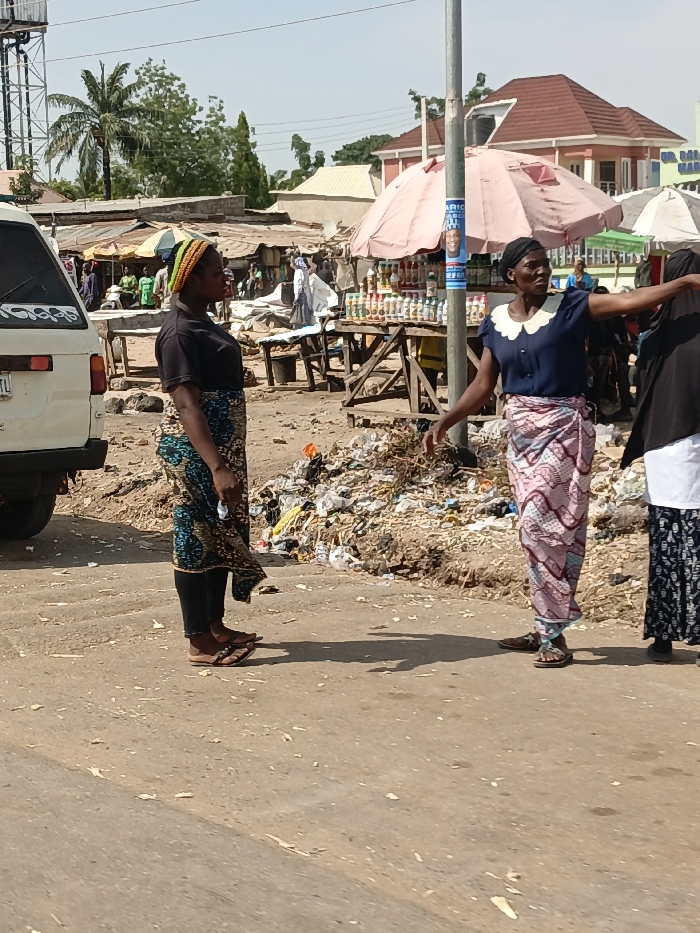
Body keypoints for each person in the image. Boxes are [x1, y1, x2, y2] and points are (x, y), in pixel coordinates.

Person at [424, 237, 700, 668]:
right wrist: (446, 419)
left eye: (544, 264)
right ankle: (545, 624)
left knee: (543, 528)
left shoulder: (572, 307)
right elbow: (483, 385)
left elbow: (630, 300)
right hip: (522, 438)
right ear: (511, 275)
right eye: (531, 266)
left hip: (565, 432)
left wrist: (683, 283)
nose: (541, 272)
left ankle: (552, 630)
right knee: (534, 531)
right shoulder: (496, 321)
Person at [155, 239, 265, 666]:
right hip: (196, 454)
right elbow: (187, 406)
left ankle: (215, 625)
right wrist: (217, 467)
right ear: (192, 279)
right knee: (195, 536)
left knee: (220, 532)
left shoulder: (203, 321)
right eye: (218, 272)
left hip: (221, 450)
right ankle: (198, 641)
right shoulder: (178, 333)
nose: (226, 278)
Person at [622, 249, 700, 664]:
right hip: (694, 448)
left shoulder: (653, 334)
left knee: (666, 547)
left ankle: (663, 637)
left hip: (662, 452)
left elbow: (642, 395)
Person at [293, 257, 314, 325]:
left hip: (301, 293)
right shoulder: (305, 271)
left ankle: (301, 323)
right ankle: (307, 322)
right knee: (306, 307)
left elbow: (298, 284)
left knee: (301, 308)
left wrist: (296, 296)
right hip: (306, 291)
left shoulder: (298, 272)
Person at [217, 256, 234, 321]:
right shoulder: (229, 271)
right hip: (228, 292)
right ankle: (227, 321)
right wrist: (232, 293)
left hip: (219, 292)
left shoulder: (217, 271)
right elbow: (231, 283)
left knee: (219, 308)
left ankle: (219, 320)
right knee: (227, 309)